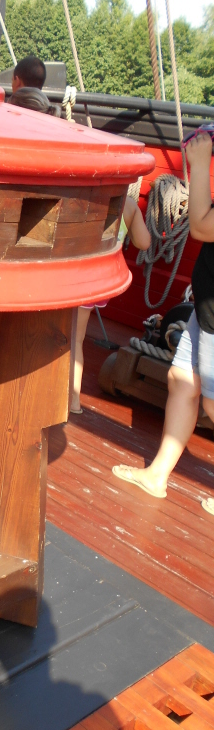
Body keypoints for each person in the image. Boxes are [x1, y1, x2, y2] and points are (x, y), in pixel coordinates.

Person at [112, 131, 214, 515]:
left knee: (212, 402)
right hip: (206, 310)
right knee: (181, 380)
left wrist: (199, 164)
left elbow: (202, 227)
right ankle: (157, 475)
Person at [70, 197, 151, 413]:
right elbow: (144, 242)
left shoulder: (91, 197)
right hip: (102, 278)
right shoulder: (129, 205)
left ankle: (72, 399)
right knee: (76, 339)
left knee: (71, 339)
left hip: (78, 276)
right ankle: (72, 400)